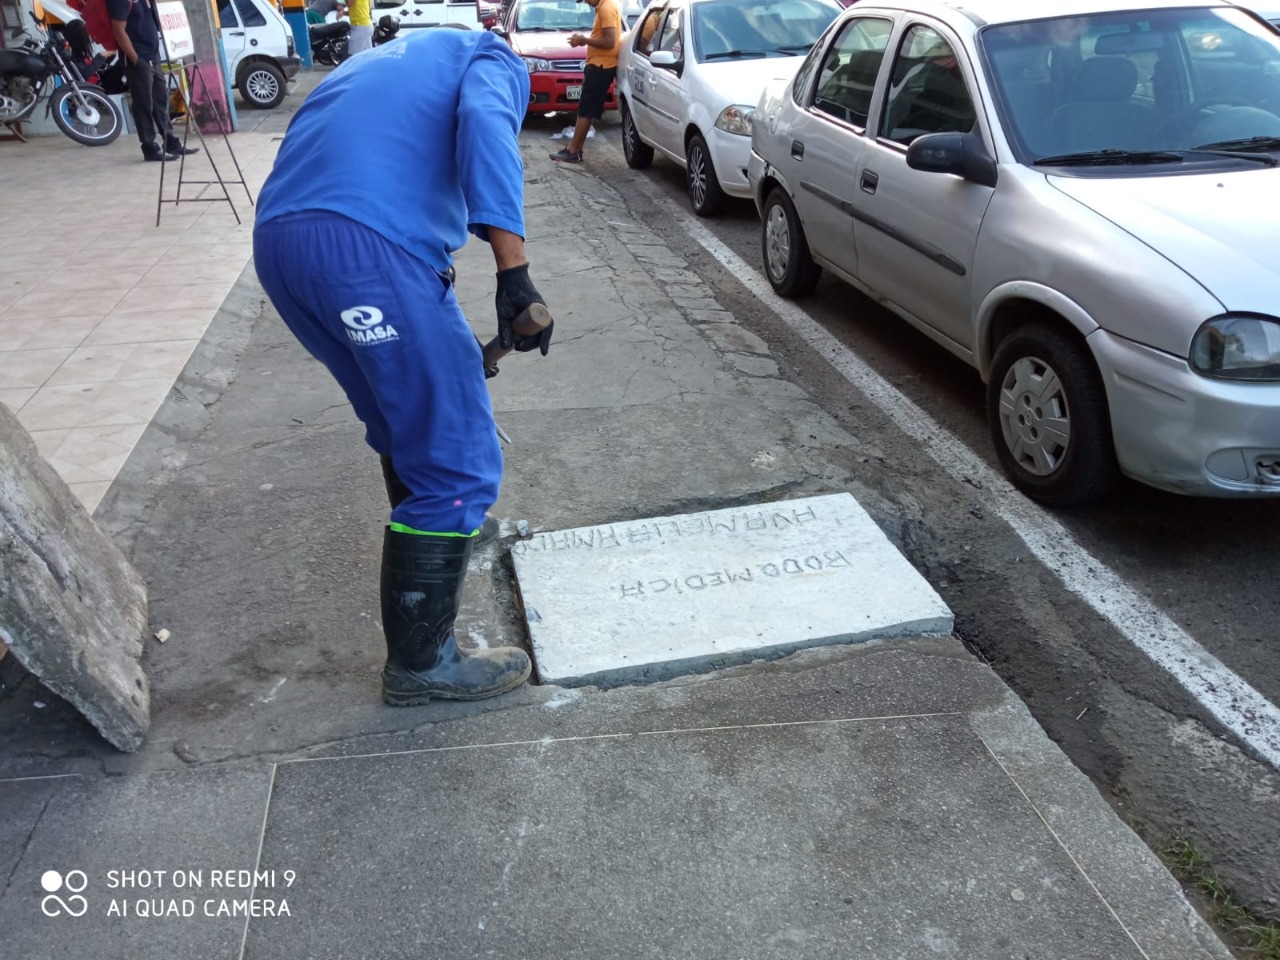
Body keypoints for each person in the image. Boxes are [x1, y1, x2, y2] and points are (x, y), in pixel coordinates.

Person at [252, 28, 554, 706]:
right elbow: (484, 123)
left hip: (280, 244)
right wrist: (515, 274)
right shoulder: (492, 57)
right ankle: (422, 663)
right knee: (458, 455)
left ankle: (439, 528)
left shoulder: (381, 61)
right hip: (364, 247)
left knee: (403, 418)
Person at [108, 0, 199, 162]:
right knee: (144, 104)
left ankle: (171, 142)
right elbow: (118, 30)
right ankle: (149, 147)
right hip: (138, 58)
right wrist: (136, 60)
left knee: (160, 100)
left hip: (153, 55)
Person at [550, 0, 622, 164]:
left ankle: (573, 151)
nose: (586, 3)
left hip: (601, 66)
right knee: (587, 109)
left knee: (586, 109)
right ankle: (574, 149)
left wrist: (584, 40)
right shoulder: (603, 7)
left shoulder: (606, 8)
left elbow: (609, 42)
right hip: (599, 65)